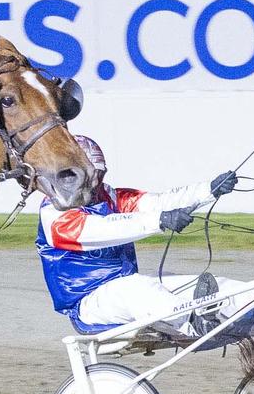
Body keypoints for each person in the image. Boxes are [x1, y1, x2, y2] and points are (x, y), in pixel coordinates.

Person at [36, 134, 241, 337]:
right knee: (137, 289)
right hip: (89, 304)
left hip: (126, 287)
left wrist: (209, 190)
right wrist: (159, 220)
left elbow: (161, 202)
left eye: (99, 174)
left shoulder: (113, 197)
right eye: (89, 175)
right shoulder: (54, 213)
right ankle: (193, 323)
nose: (95, 181)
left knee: (183, 284)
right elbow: (102, 228)